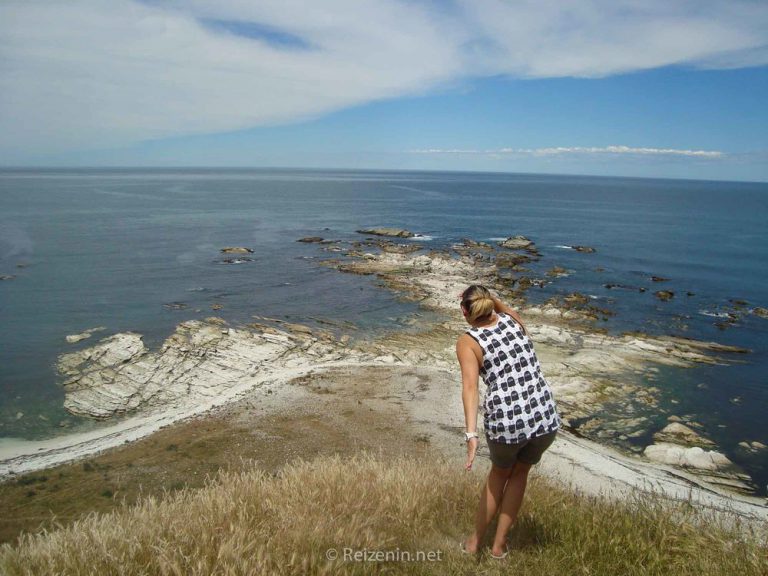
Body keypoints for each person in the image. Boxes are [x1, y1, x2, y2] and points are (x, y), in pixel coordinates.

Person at [457, 284, 560, 558]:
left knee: (499, 475)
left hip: (508, 423)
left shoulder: (468, 341)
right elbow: (507, 309)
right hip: (544, 417)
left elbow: (470, 388)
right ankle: (499, 546)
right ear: (491, 303)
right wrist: (490, 297)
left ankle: (474, 544)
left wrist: (471, 435)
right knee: (520, 474)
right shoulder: (513, 321)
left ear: (464, 312)